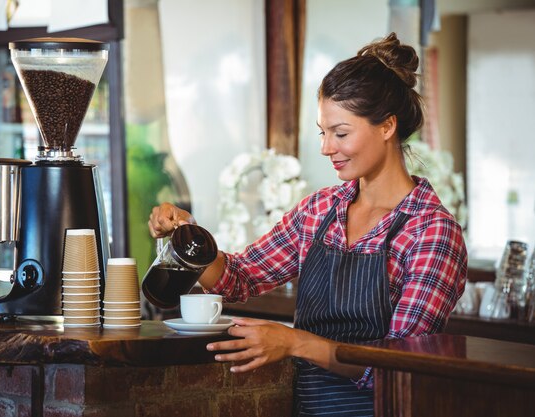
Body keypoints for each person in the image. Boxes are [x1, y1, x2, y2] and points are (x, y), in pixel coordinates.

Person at [148, 32, 468, 417]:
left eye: (341, 133)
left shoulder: (431, 231)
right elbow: (239, 277)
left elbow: (395, 364)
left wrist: (294, 342)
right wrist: (188, 233)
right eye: (323, 132)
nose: (326, 148)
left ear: (387, 127)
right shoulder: (319, 211)